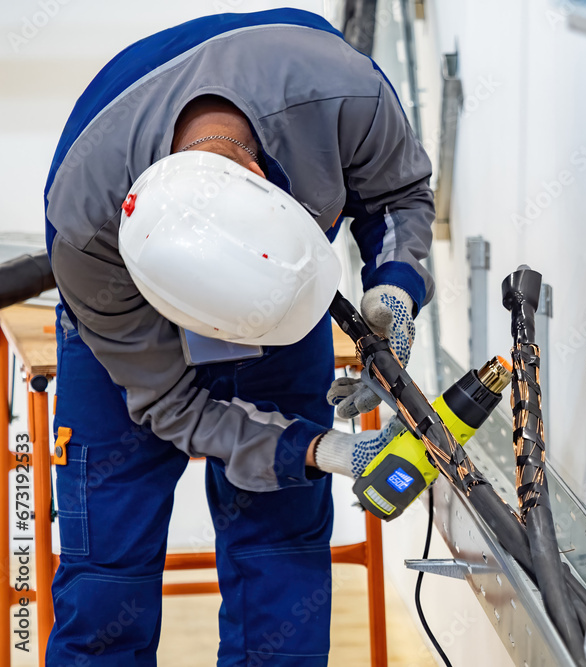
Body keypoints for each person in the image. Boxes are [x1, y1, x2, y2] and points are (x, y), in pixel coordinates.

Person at [43, 9, 433, 665]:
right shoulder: (85, 229)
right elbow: (171, 405)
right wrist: (319, 448)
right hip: (133, 329)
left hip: (280, 311)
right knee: (106, 581)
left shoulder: (344, 92)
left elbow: (397, 195)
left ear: (270, 186)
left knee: (278, 557)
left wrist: (394, 291)